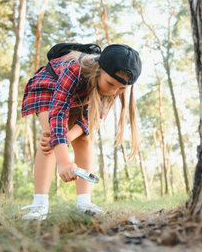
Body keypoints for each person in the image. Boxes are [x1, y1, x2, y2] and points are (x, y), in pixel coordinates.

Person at [20, 44, 142, 220]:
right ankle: (39, 206)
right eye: (111, 84)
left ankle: (84, 203)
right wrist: (63, 161)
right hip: (49, 85)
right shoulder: (74, 69)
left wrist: (67, 137)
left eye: (121, 88)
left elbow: (89, 120)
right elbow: (58, 114)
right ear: (99, 70)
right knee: (49, 136)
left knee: (85, 138)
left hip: (79, 96)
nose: (114, 91)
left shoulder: (115, 86)